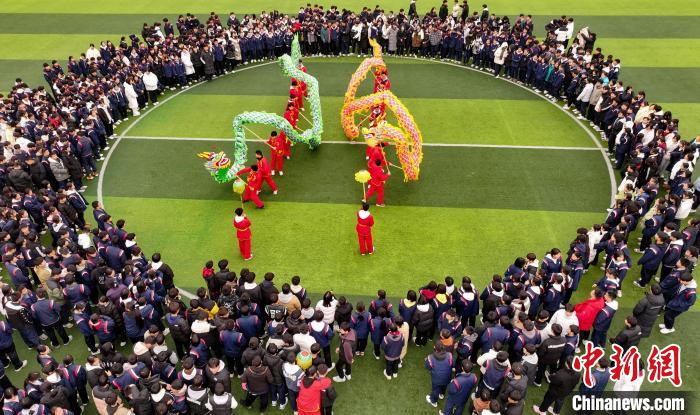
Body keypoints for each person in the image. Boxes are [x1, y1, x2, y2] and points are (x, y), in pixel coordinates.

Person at [425, 343, 453, 408]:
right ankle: (441, 394)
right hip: (447, 376)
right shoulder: (449, 355)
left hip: (437, 379)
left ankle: (433, 401)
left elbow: (428, 367)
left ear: (435, 348)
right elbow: (452, 364)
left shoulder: (430, 357)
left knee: (435, 390)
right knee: (444, 386)